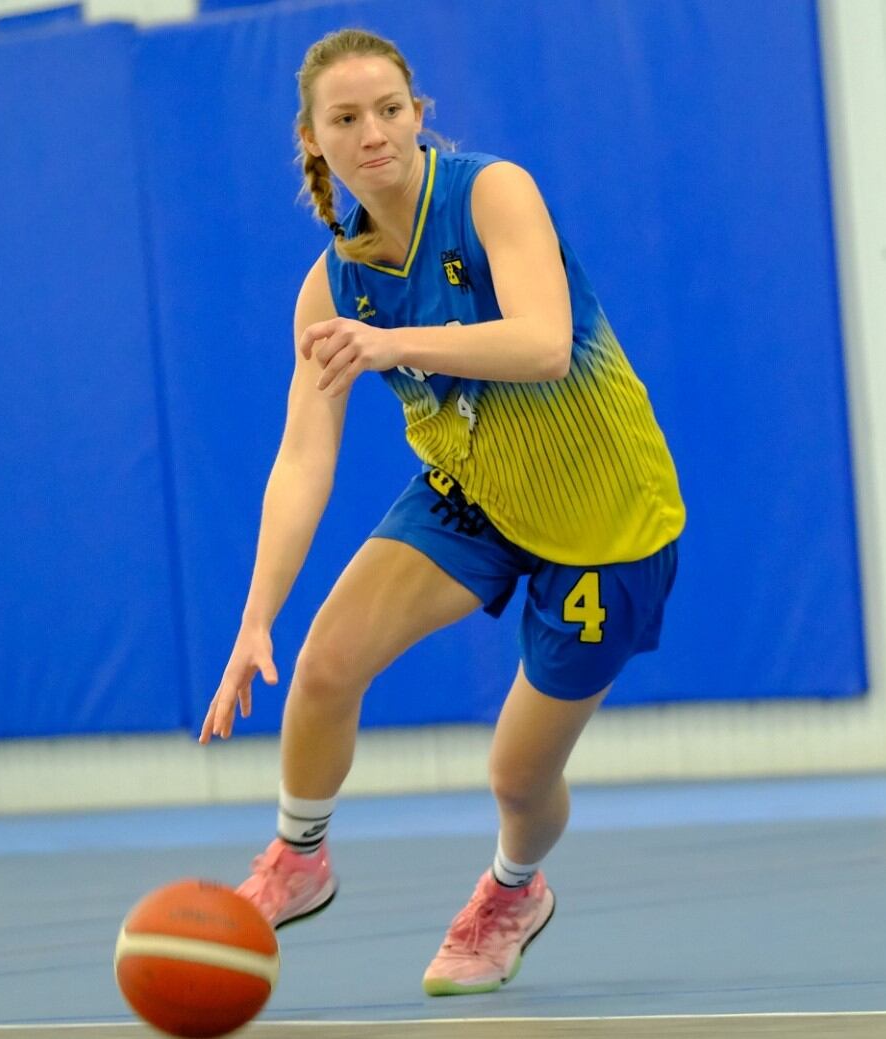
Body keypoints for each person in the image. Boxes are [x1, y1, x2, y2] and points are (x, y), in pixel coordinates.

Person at [197, 27, 685, 997]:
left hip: (604, 516)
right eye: (346, 118)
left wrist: (391, 347)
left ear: (418, 116)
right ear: (313, 140)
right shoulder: (330, 287)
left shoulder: (492, 191)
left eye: (389, 109)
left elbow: (545, 343)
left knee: (515, 778)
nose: (372, 131)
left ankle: (515, 885)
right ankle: (299, 857)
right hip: (470, 492)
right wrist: (256, 617)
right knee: (325, 663)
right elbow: (302, 457)